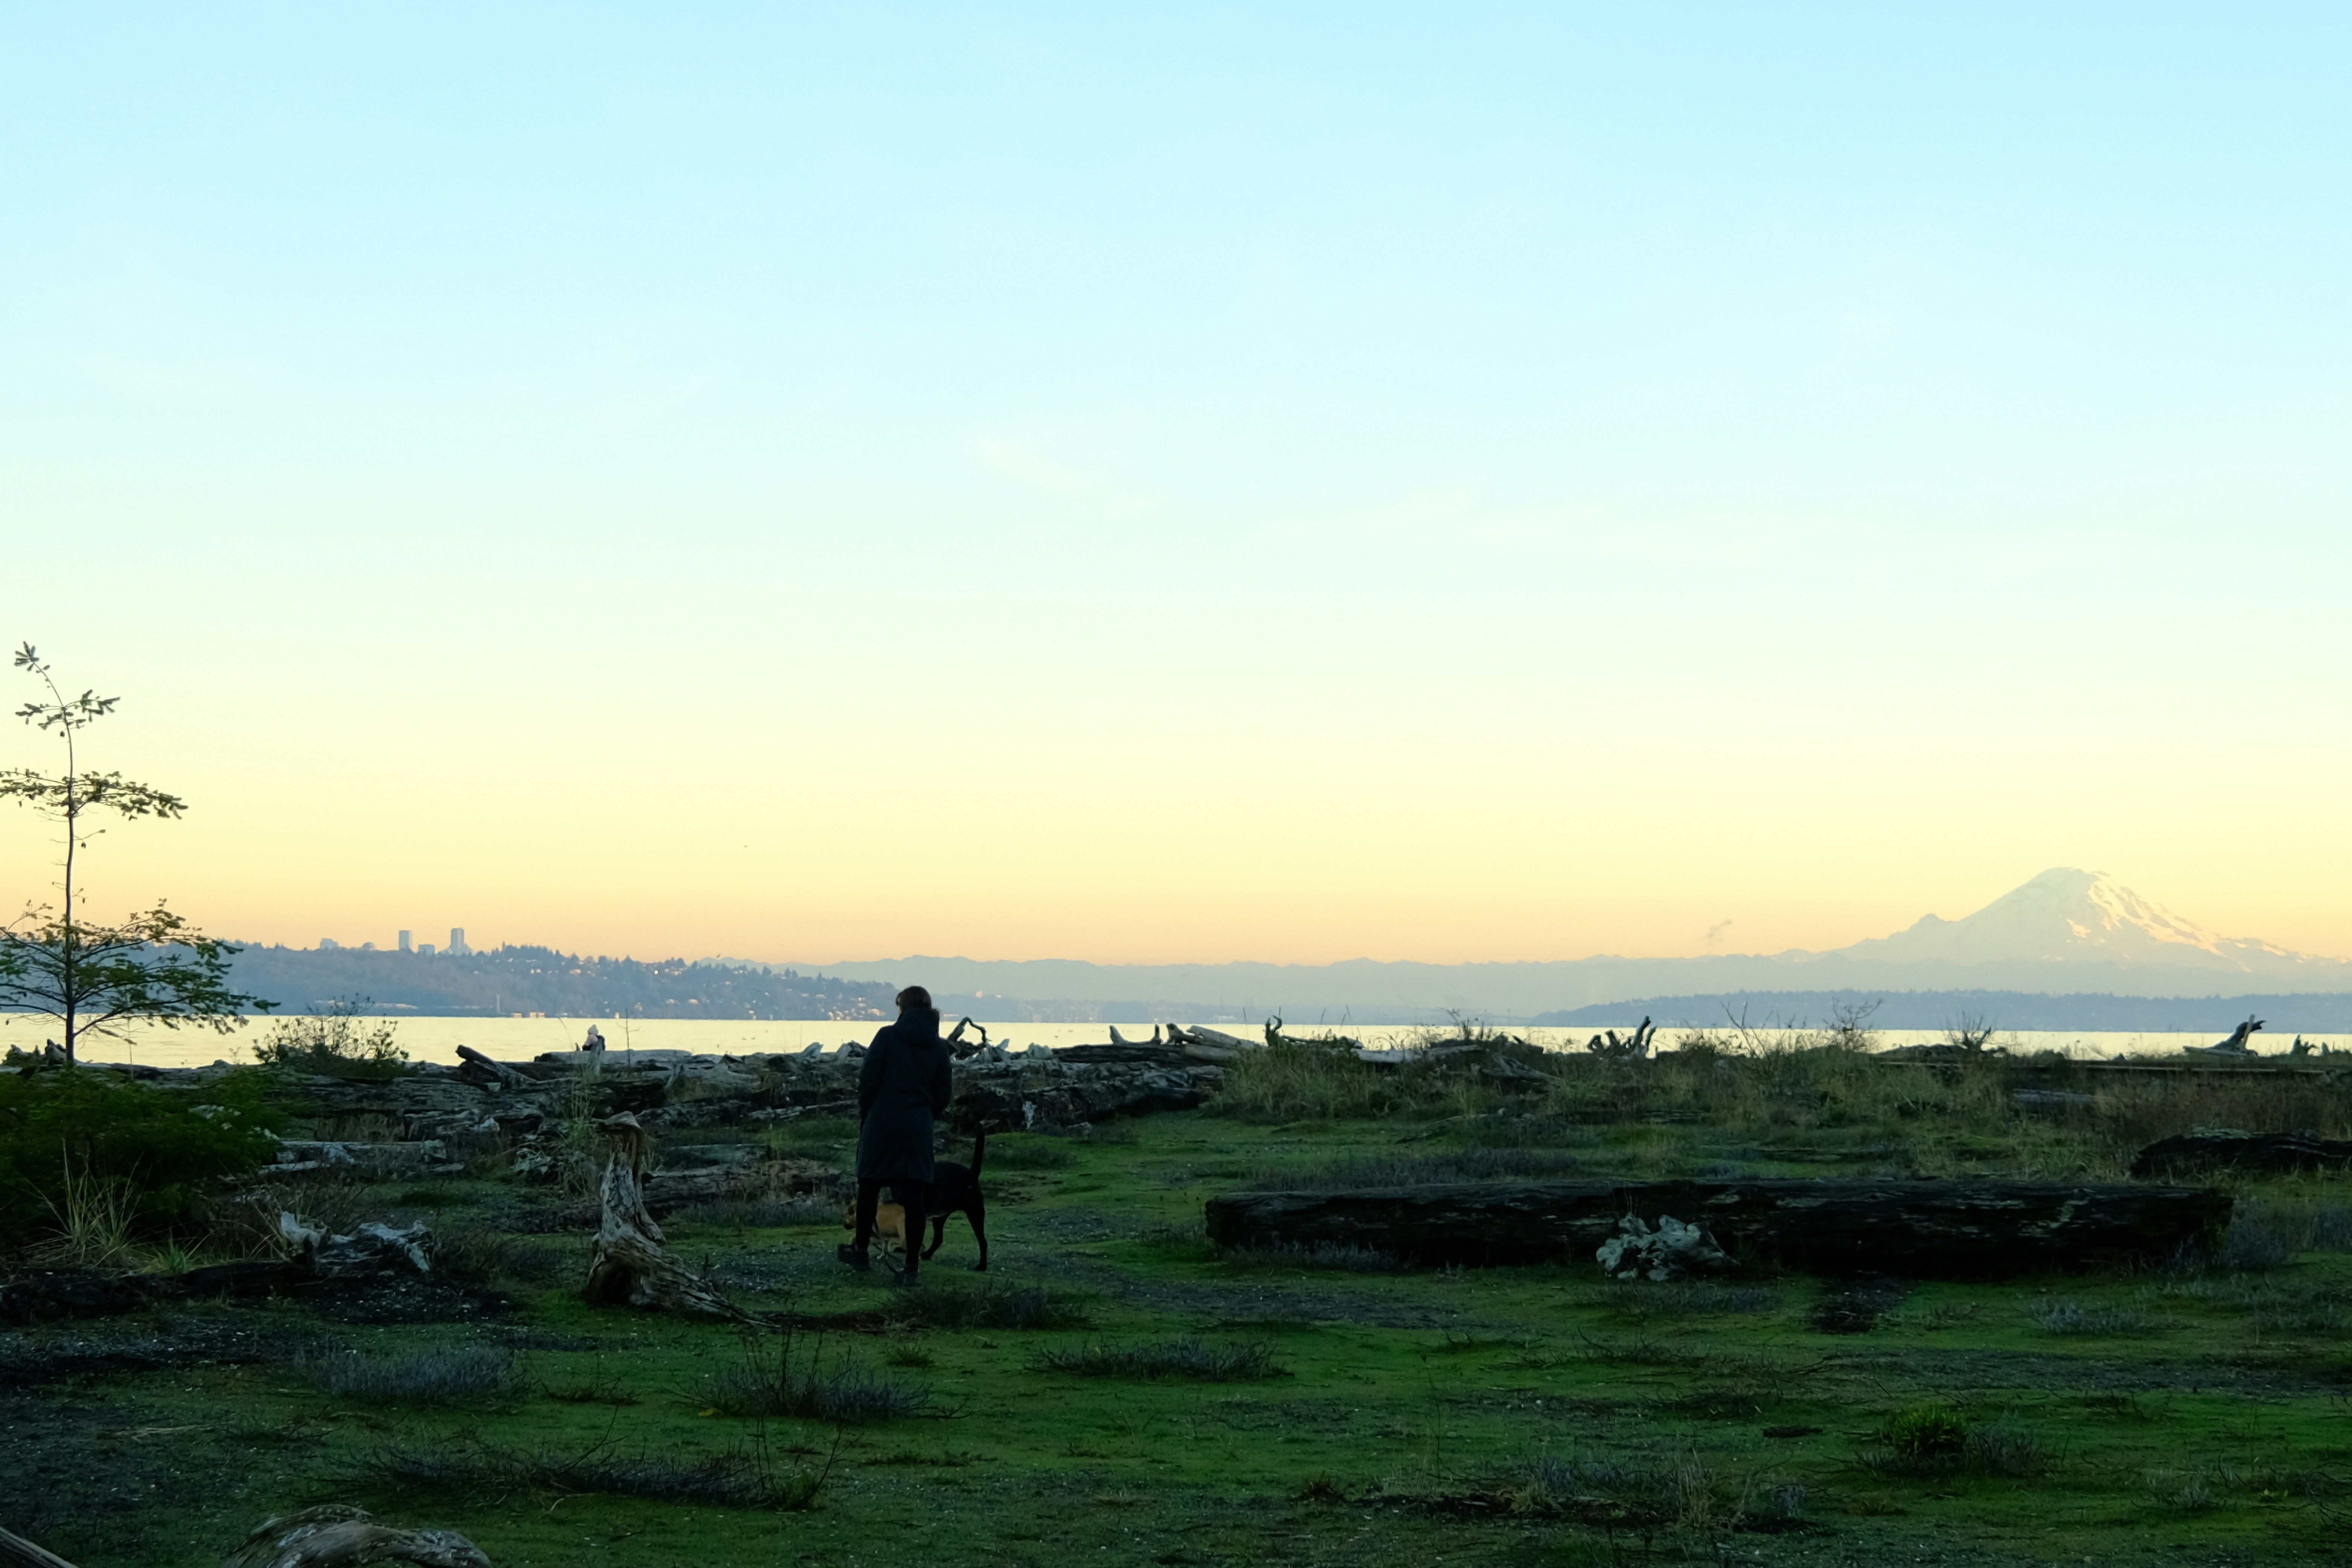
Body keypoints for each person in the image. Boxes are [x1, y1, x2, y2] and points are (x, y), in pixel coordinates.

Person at [838, 985, 954, 1285]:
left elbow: (868, 1081)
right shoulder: (940, 1047)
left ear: (902, 1007)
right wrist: (925, 1116)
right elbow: (944, 1095)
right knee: (914, 1199)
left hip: (882, 1122)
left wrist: (869, 1114)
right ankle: (911, 1268)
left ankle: (861, 1252)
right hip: (917, 1126)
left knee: (869, 1189)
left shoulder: (887, 1037)